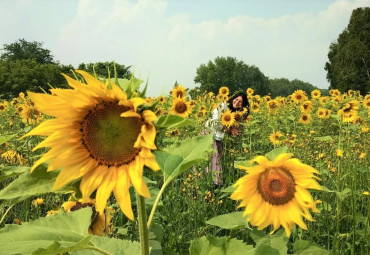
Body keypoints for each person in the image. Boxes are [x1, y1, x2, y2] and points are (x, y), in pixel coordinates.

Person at [206, 91, 250, 186]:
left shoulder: (236, 114)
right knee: (213, 163)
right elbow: (216, 123)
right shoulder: (222, 107)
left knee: (215, 163)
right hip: (209, 136)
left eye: (240, 102)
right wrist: (230, 130)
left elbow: (237, 130)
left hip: (219, 139)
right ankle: (212, 186)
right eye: (236, 99)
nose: (237, 102)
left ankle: (210, 187)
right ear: (233, 98)